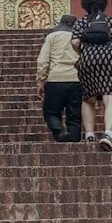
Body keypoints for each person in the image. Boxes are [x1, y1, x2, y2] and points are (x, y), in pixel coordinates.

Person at [74, 0, 112, 150]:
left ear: (85, 6)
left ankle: (89, 134)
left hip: (87, 60)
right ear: (103, 5)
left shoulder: (82, 22)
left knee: (88, 99)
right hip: (109, 60)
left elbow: (75, 42)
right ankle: (108, 134)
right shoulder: (110, 22)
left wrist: (83, 51)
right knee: (111, 97)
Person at [35, 13, 82, 142]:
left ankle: (59, 131)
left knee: (51, 111)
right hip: (76, 79)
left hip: (55, 79)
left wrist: (40, 80)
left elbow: (43, 60)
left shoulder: (52, 37)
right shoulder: (79, 37)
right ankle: (74, 139)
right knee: (75, 115)